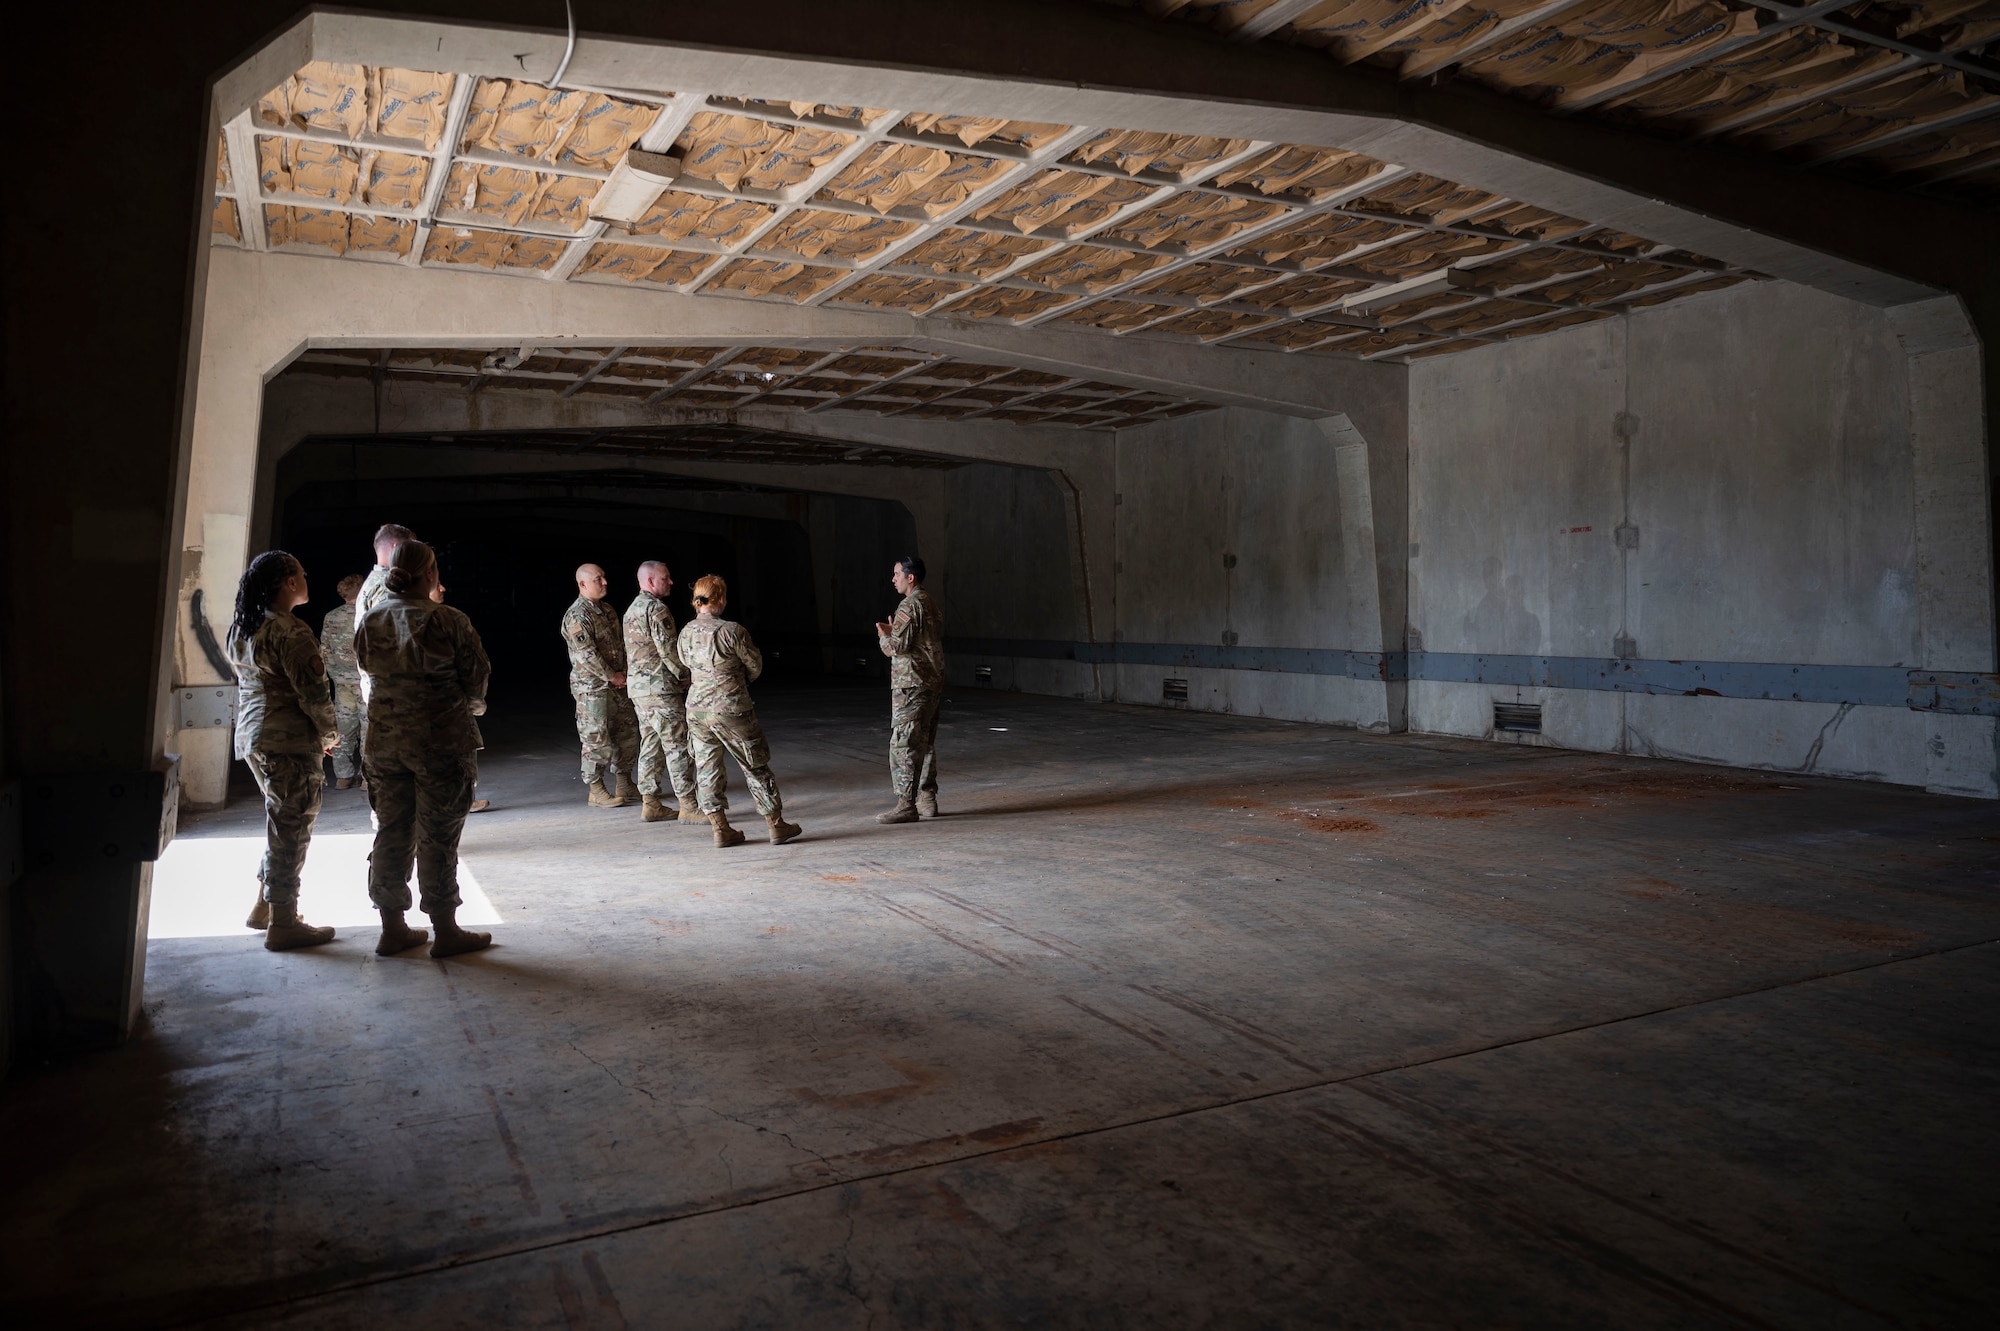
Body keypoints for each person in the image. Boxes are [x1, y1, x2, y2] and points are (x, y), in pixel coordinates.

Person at [355, 539, 493, 958]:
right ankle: (445, 929)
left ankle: (392, 926)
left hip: (384, 744)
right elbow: (476, 678)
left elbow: (364, 670)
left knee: (391, 833)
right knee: (438, 836)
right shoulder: (449, 620)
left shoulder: (371, 619)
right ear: (430, 574)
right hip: (441, 741)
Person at [227, 550, 341, 951]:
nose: (306, 579)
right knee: (291, 831)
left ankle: (264, 908)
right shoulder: (291, 632)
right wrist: (330, 735)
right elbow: (313, 695)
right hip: (287, 741)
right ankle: (284, 922)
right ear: (289, 583)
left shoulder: (243, 626)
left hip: (254, 738)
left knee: (281, 821)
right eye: (302, 574)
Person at [677, 575, 801, 848]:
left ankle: (721, 829)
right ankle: (776, 826)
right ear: (720, 599)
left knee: (706, 767)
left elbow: (684, 663)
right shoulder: (732, 631)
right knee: (754, 763)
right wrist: (737, 679)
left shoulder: (686, 631)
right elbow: (754, 664)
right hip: (730, 707)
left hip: (697, 709)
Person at [623, 561, 704, 825]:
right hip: (660, 690)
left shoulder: (631, 610)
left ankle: (651, 804)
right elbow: (668, 650)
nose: (670, 582)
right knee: (678, 745)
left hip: (639, 691)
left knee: (651, 744)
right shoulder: (656, 610)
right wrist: (686, 675)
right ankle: (689, 805)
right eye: (665, 578)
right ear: (649, 582)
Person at [562, 563, 641, 808]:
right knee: (596, 737)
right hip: (593, 688)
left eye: (604, 577)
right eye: (598, 579)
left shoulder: (606, 610)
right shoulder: (577, 615)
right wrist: (611, 675)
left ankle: (624, 781)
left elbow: (620, 644)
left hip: (617, 684)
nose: (604, 582)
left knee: (626, 733)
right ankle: (596, 790)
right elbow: (586, 654)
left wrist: (625, 672)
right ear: (582, 585)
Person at [874, 555, 945, 823]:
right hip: (931, 682)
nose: (893, 579)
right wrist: (897, 631)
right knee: (925, 741)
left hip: (911, 684)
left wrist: (884, 635)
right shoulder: (929, 602)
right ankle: (927, 798)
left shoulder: (909, 605)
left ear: (910, 577)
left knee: (903, 743)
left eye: (896, 574)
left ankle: (905, 804)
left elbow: (896, 647)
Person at [428, 576, 490, 815]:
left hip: (401, 719)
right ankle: (461, 799)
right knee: (457, 762)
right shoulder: (451, 619)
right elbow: (476, 668)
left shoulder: (380, 618)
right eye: (436, 584)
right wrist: (474, 704)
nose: (443, 588)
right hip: (449, 713)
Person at [319, 573, 366, 789]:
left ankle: (343, 776)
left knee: (344, 728)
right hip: (366, 682)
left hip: (342, 682)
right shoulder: (368, 615)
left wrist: (335, 675)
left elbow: (324, 651)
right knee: (369, 729)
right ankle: (368, 777)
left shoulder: (331, 617)